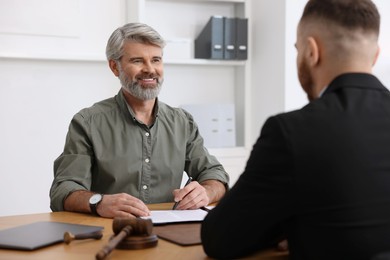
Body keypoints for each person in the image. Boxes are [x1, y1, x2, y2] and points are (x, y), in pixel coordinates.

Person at [201, 0, 390, 259]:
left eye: (297, 49)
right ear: (375, 55)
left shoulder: (291, 132)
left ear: (311, 52)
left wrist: (294, 227)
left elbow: (218, 239)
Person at [49, 23, 229, 218]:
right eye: (137, 61)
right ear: (114, 67)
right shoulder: (88, 122)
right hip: (110, 231)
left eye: (156, 60)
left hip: (170, 232)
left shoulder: (182, 122)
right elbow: (63, 189)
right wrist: (98, 202)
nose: (150, 69)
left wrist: (206, 192)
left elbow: (215, 174)